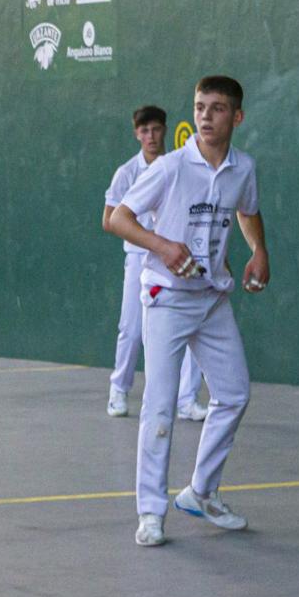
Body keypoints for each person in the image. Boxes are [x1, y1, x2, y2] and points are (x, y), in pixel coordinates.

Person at [108, 76, 269, 548]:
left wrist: (259, 250)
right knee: (159, 405)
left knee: (235, 394)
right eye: (200, 106)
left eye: (217, 108)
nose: (205, 115)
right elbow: (118, 217)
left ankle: (200, 491)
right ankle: (151, 512)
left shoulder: (243, 168)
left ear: (236, 117)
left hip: (212, 298)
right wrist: (162, 245)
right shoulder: (173, 167)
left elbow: (246, 209)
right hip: (165, 299)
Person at [103, 106, 207, 421]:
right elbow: (109, 220)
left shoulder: (177, 167)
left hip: (174, 258)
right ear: (137, 134)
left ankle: (186, 400)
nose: (151, 136)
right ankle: (118, 391)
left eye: (156, 129)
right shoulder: (126, 173)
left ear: (165, 130)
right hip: (138, 258)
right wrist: (147, 237)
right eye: (145, 131)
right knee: (132, 330)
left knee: (189, 327)